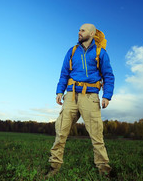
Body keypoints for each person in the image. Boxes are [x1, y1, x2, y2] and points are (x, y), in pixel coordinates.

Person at [47, 23, 115, 177]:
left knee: (96, 135)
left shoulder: (100, 52)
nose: (79, 32)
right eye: (79, 30)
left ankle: (104, 170)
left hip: (90, 97)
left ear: (91, 33)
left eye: (82, 30)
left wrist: (106, 95)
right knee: (61, 132)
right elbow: (64, 73)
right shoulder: (71, 52)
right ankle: (54, 167)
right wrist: (59, 91)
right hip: (70, 95)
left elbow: (108, 75)